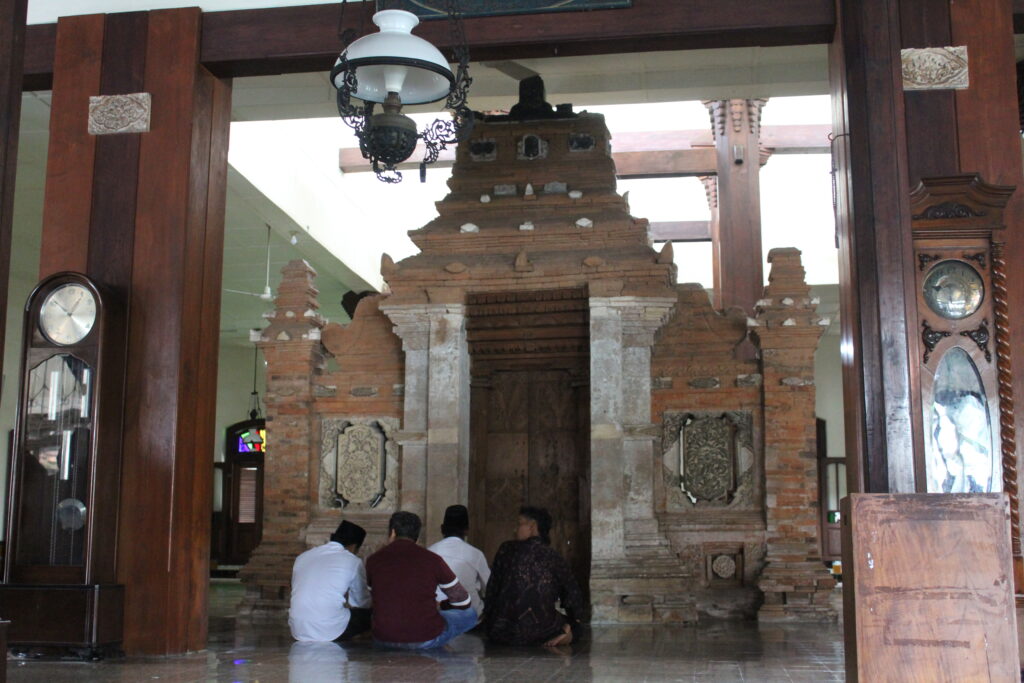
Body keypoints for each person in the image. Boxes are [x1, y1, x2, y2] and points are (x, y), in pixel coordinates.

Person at [365, 511, 477, 649]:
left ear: (393, 532)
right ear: (417, 537)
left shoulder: (373, 560)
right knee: (471, 614)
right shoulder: (432, 560)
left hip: (383, 638)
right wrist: (441, 606)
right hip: (424, 637)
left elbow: (374, 599)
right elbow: (463, 600)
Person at [484, 505, 584, 647]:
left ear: (532, 526)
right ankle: (563, 636)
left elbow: (492, 590)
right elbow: (573, 595)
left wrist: (489, 618)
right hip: (543, 632)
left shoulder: (505, 549)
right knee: (577, 629)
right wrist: (572, 624)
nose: (515, 529)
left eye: (519, 524)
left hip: (502, 632)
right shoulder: (553, 556)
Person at [288, 520, 371, 642]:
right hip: (328, 630)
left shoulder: (303, 556)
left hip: (297, 629)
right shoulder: (353, 561)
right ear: (354, 546)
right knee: (372, 615)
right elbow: (360, 602)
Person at [428, 505, 490, 621]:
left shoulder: (430, 551)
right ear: (467, 530)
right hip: (471, 619)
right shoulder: (476, 554)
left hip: (439, 617)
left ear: (442, 528)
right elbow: (490, 587)